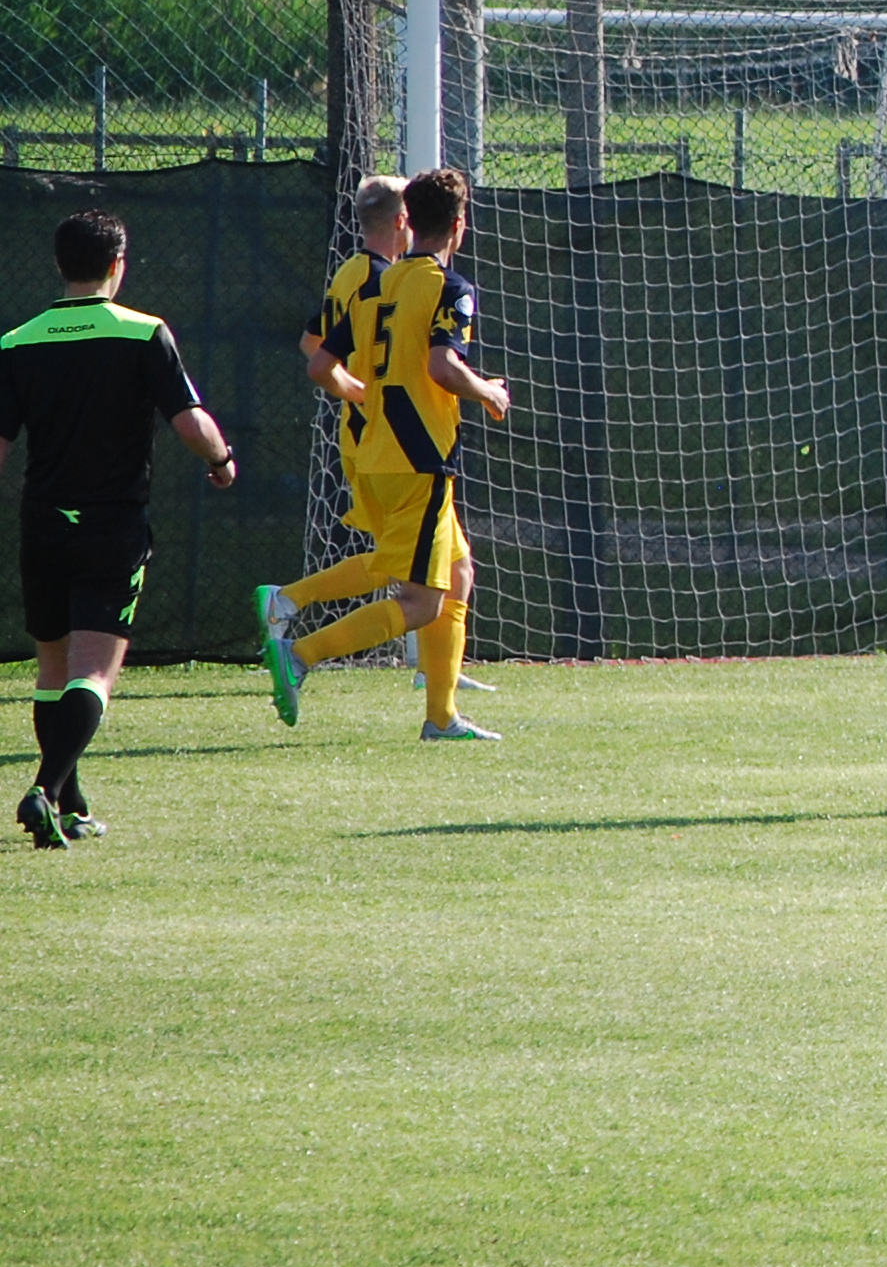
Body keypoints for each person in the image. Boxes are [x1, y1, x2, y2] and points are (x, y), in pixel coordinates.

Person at [0, 212, 238, 844]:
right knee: (95, 673)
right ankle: (45, 789)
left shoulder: (18, 341)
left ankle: (69, 807)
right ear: (117, 264)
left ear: (59, 264)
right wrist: (221, 460)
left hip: (43, 523)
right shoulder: (142, 332)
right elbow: (190, 422)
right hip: (111, 524)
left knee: (53, 669)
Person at [265, 169, 509, 741]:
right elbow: (442, 366)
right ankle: (300, 655)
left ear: (410, 221)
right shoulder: (450, 287)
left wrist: (367, 397)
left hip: (376, 451)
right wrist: (488, 392)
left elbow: (320, 364)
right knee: (422, 601)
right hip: (419, 458)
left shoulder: (379, 283)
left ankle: (442, 716)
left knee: (458, 571)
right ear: (459, 225)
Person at [254, 175, 409, 698]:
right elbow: (320, 357)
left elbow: (310, 340)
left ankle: (439, 676)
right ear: (401, 221)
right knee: (408, 565)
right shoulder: (379, 280)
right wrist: (362, 394)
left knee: (418, 562)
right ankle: (289, 608)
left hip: (368, 435)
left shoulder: (351, 271)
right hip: (379, 439)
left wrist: (353, 389)